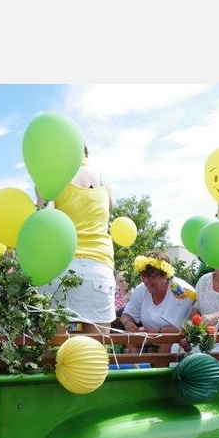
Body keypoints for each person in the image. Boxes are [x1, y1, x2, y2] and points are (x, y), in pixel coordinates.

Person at [36, 144, 115, 333]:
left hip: (61, 267)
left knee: (56, 351)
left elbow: (47, 219)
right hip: (99, 268)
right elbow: (111, 208)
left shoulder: (52, 178)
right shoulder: (103, 179)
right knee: (96, 353)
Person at [119, 251, 193, 353]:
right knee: (132, 344)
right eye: (143, 276)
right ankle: (134, 367)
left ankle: (158, 368)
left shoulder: (182, 291)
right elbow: (126, 315)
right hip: (149, 337)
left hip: (177, 340)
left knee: (166, 342)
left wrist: (157, 331)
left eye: (151, 277)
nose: (146, 281)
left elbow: (181, 329)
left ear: (166, 275)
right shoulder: (141, 289)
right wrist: (128, 324)